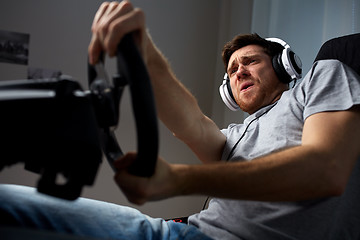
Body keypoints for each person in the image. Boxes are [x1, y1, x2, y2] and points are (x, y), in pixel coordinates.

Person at [1, 1, 360, 239]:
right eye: (232, 70)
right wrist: (145, 50)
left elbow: (325, 168)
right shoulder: (237, 133)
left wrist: (177, 179)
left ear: (284, 64)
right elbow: (190, 122)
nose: (239, 72)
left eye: (250, 61)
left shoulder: (321, 77)